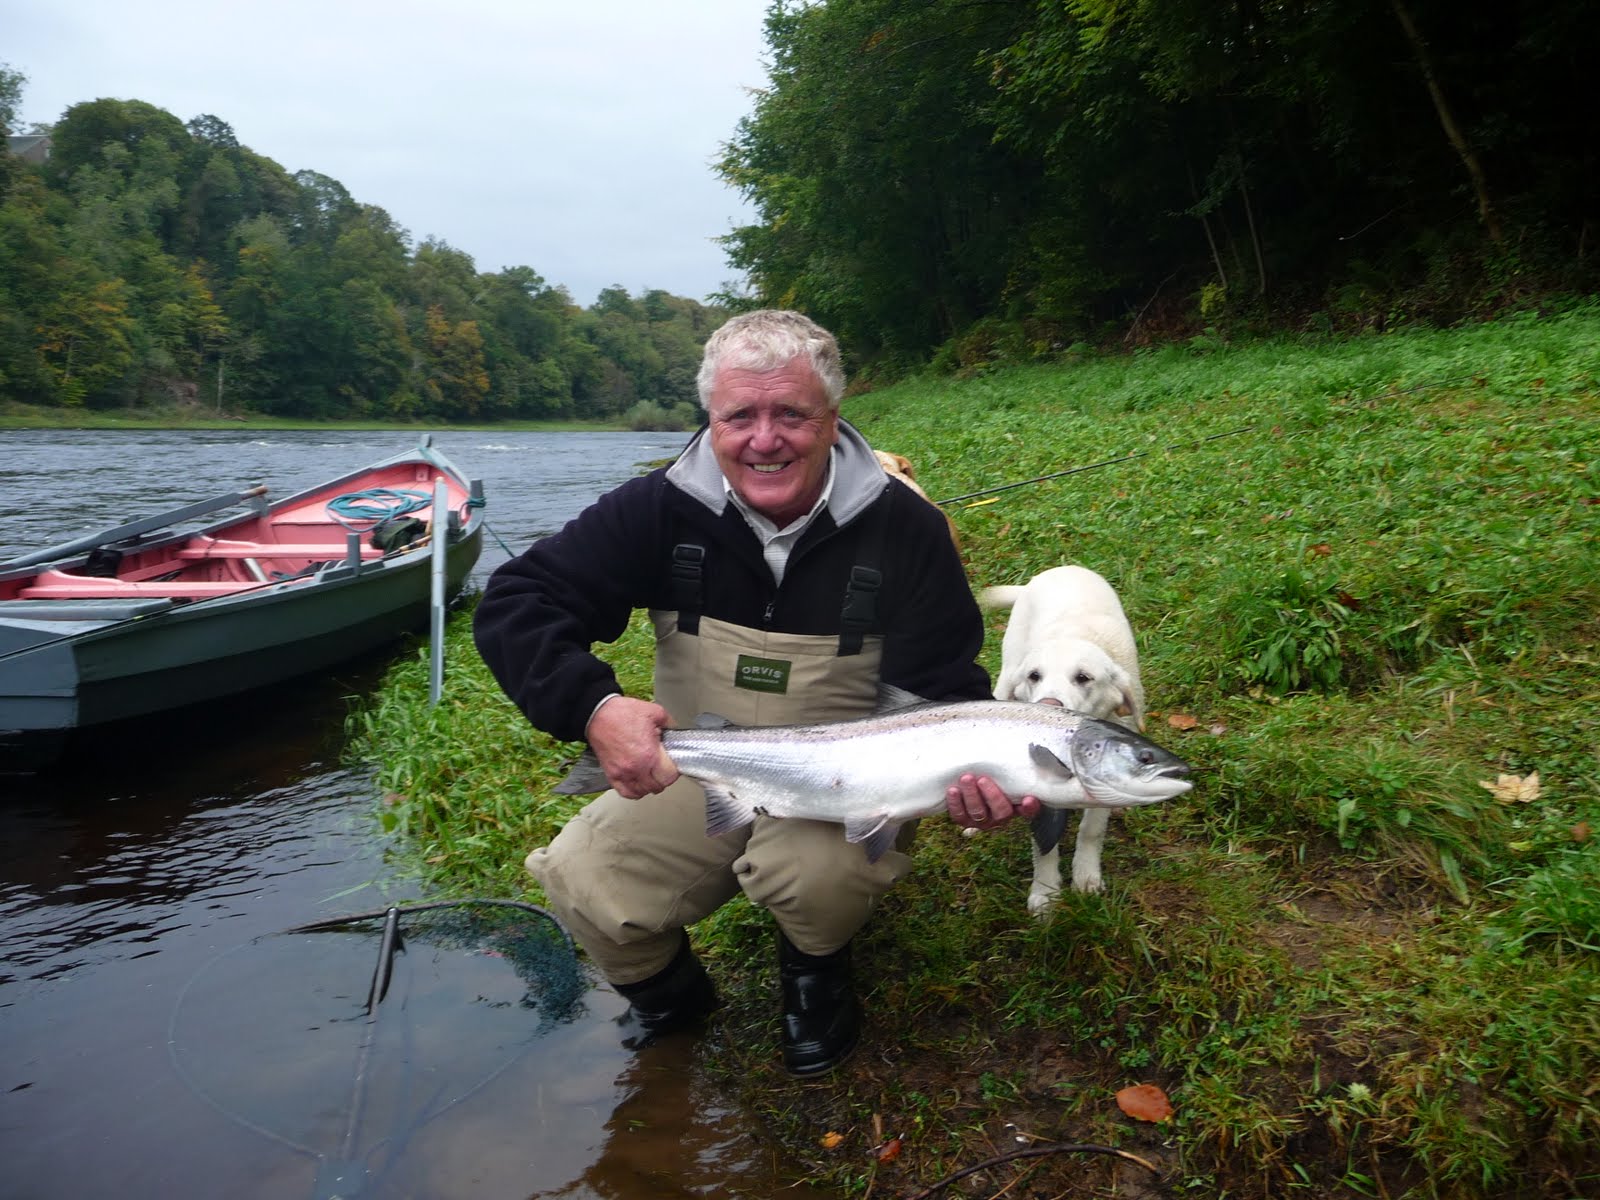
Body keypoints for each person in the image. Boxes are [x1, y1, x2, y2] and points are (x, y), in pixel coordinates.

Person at [473, 309, 1037, 1076]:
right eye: (740, 416)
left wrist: (979, 779)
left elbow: (941, 689)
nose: (763, 439)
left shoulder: (909, 531)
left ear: (832, 417)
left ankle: (815, 970)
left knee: (812, 881)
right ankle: (673, 1003)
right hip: (699, 767)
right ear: (711, 418)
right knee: (582, 878)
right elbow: (516, 602)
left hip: (848, 782)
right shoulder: (655, 510)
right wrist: (595, 708)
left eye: (791, 415)